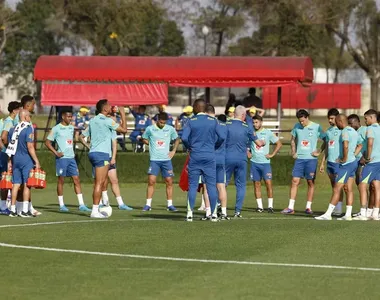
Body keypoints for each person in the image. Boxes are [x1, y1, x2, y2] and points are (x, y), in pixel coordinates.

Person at [181, 99, 225, 222]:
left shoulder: (191, 121)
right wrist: (214, 146)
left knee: (193, 185)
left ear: (195, 107)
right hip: (210, 156)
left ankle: (189, 213)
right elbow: (222, 136)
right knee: (211, 185)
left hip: (195, 155)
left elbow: (184, 137)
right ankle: (214, 214)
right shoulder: (213, 121)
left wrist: (190, 146)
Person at [80, 112, 132, 211]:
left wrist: (113, 157)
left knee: (114, 180)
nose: (114, 118)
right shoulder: (100, 124)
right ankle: (100, 203)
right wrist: (89, 146)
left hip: (108, 157)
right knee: (99, 181)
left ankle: (120, 203)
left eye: (115, 117)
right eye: (112, 116)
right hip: (100, 156)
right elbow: (81, 137)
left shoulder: (112, 128)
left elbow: (114, 144)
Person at [86, 99, 127, 218]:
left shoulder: (93, 120)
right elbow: (124, 130)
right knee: (99, 183)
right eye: (109, 106)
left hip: (93, 152)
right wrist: (123, 114)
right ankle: (94, 211)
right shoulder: (107, 120)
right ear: (104, 109)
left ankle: (99, 206)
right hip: (102, 154)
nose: (111, 107)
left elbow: (83, 136)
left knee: (102, 181)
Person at [45, 110, 91, 212]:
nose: (70, 118)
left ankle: (82, 205)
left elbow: (78, 136)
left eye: (71, 117)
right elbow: (47, 142)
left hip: (71, 159)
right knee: (61, 181)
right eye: (68, 116)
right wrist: (56, 153)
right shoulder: (56, 128)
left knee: (76, 180)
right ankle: (62, 205)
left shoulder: (71, 128)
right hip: (61, 159)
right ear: (63, 116)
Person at [315, 114, 359, 220]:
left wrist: (344, 158)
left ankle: (328, 214)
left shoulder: (344, 131)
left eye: (337, 121)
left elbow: (345, 145)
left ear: (340, 121)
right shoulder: (353, 131)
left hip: (346, 164)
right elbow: (360, 144)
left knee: (336, 188)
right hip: (353, 162)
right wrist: (354, 155)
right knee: (348, 189)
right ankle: (348, 215)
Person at [282, 109, 325, 215]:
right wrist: (293, 152)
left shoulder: (316, 126)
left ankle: (308, 207)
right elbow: (293, 140)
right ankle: (291, 207)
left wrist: (319, 151)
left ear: (307, 117)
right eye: (300, 121)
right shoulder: (296, 126)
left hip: (311, 159)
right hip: (300, 159)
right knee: (294, 181)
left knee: (310, 182)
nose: (301, 123)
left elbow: (326, 139)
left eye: (303, 121)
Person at [225, 105, 264, 218]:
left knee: (223, 184)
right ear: (243, 115)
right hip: (241, 159)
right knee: (240, 185)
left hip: (227, 158)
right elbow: (258, 143)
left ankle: (220, 208)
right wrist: (263, 142)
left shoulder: (226, 125)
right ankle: (237, 211)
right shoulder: (247, 126)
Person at [141, 112, 180, 211]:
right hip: (154, 160)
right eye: (161, 122)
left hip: (166, 160)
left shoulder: (170, 128)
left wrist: (173, 151)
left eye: (164, 123)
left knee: (169, 182)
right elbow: (143, 138)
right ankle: (148, 205)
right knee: (151, 181)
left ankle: (170, 205)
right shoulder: (150, 128)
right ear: (158, 120)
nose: (162, 124)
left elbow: (177, 139)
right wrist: (151, 144)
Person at [6, 110, 41, 217]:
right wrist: (36, 161)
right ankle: (24, 210)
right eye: (29, 116)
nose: (30, 117)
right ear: (25, 117)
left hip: (15, 159)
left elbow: (10, 146)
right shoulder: (28, 128)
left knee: (16, 184)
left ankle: (13, 209)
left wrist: (9, 161)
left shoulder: (13, 129)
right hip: (26, 159)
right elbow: (30, 146)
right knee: (27, 184)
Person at [200, 106, 229, 220]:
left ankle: (209, 213)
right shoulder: (224, 125)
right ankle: (224, 212)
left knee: (207, 186)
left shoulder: (209, 124)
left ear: (206, 113)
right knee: (221, 186)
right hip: (221, 158)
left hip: (210, 158)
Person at [250, 115, 282, 213]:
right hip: (254, 163)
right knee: (257, 184)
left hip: (265, 163)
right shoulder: (251, 133)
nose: (255, 124)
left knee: (268, 184)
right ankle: (260, 207)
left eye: (257, 122)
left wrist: (272, 154)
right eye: (253, 122)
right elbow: (245, 144)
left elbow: (279, 143)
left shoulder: (267, 133)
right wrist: (247, 151)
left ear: (261, 122)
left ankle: (270, 206)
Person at [355, 109, 380, 221]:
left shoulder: (370, 129)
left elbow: (370, 143)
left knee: (362, 185)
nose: (365, 121)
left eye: (366, 118)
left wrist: (368, 157)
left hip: (372, 162)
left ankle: (363, 213)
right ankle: (375, 213)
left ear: (372, 117)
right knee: (377, 187)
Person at [319, 108, 344, 216]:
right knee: (334, 185)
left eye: (332, 118)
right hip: (330, 163)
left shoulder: (342, 130)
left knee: (340, 186)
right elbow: (327, 148)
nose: (330, 120)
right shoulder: (328, 131)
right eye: (329, 118)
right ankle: (335, 207)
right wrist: (322, 163)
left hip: (339, 163)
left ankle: (339, 208)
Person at [0, 101, 21, 215]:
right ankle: (3, 206)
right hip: (4, 155)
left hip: (5, 154)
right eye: (19, 110)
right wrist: (9, 149)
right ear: (14, 111)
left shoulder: (12, 121)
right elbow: (3, 137)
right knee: (4, 179)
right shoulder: (9, 122)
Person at [347, 114, 370, 217]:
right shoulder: (352, 132)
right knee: (359, 185)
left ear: (357, 122)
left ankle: (365, 210)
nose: (350, 126)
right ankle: (366, 210)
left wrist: (365, 156)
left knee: (362, 185)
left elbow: (371, 143)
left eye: (352, 124)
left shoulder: (364, 130)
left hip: (363, 161)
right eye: (349, 124)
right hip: (354, 161)